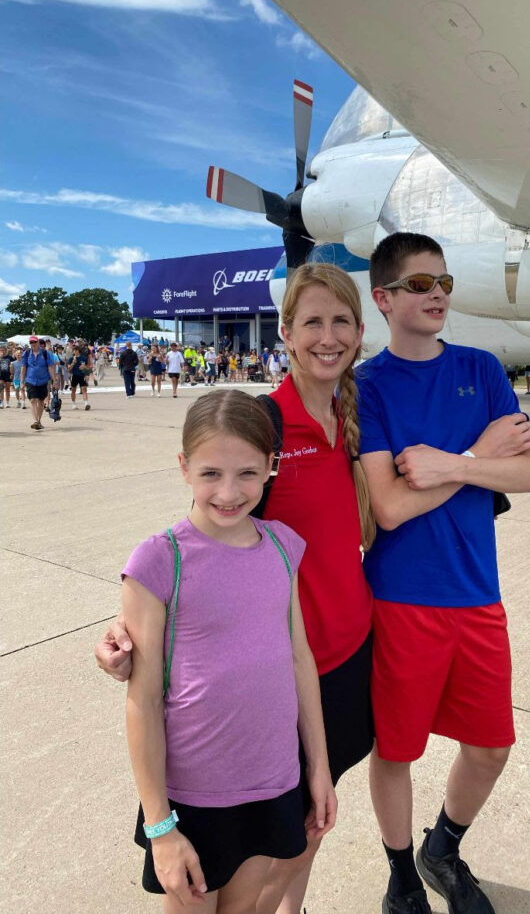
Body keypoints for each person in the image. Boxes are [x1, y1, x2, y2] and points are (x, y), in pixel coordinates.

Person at [96, 263, 376, 914]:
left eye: (341, 322)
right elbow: (199, 554)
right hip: (240, 726)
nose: (231, 489)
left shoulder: (362, 413)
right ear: (284, 330)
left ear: (362, 332)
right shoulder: (259, 421)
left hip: (334, 667)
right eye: (311, 321)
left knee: (301, 835)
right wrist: (125, 629)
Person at [357, 232, 530, 914]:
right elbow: (390, 506)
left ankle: (444, 846)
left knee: (491, 746)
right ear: (383, 298)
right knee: (397, 749)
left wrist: (454, 462)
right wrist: (479, 452)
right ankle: (402, 874)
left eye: (443, 282)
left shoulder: (483, 367)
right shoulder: (368, 386)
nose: (436, 292)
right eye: (418, 284)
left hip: (476, 592)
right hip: (401, 599)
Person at [122, 389, 336, 911]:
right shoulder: (159, 560)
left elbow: (299, 659)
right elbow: (143, 700)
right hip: (193, 797)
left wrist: (319, 767)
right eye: (211, 473)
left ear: (271, 466)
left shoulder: (284, 546)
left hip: (272, 780)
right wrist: (160, 824)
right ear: (184, 467)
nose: (229, 491)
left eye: (246, 473)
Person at [20, 334, 58, 430]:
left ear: (38, 343)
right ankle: (35, 421)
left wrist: (55, 381)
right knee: (33, 400)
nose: (32, 344)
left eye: (34, 342)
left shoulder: (46, 354)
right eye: (31, 342)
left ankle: (39, 421)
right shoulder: (26, 353)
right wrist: (21, 381)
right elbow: (23, 367)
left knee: (41, 401)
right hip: (30, 380)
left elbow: (51, 367)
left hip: (43, 380)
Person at [68, 340, 93, 410]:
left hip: (82, 375)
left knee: (84, 389)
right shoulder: (71, 359)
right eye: (74, 350)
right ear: (72, 351)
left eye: (76, 350)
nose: (75, 351)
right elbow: (68, 369)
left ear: (79, 351)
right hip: (74, 376)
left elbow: (88, 367)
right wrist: (73, 363)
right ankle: (73, 404)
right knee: (73, 390)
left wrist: (85, 367)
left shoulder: (84, 358)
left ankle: (86, 404)